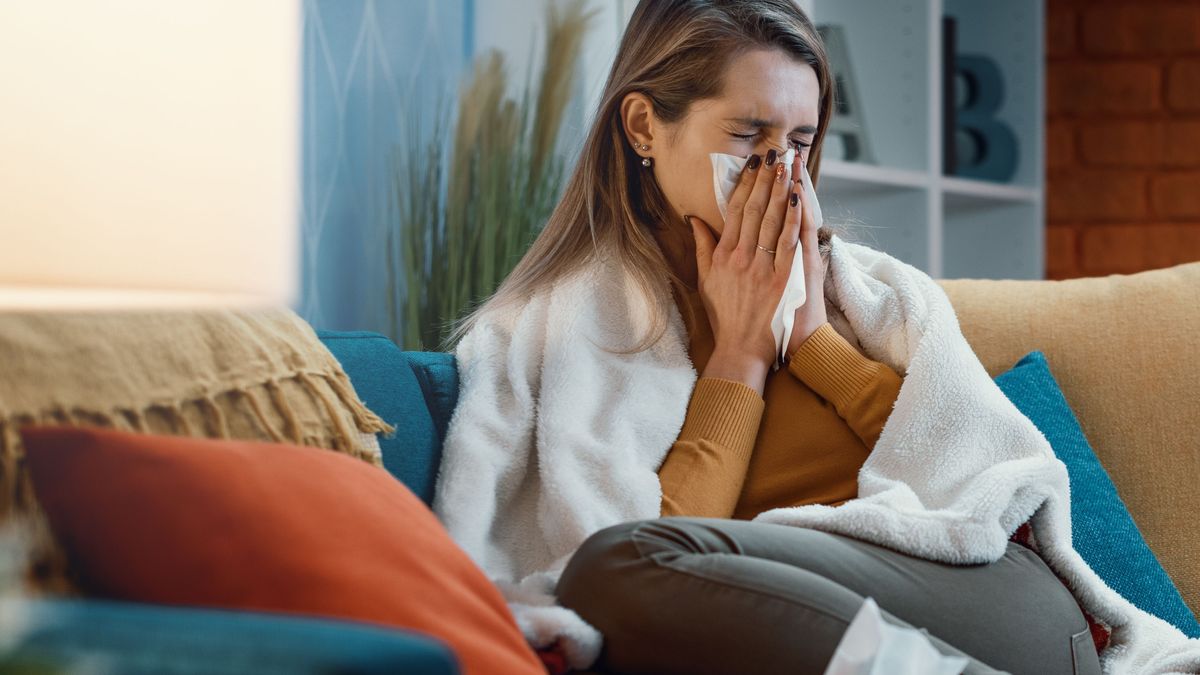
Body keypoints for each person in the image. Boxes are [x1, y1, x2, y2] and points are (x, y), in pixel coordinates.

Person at [441, 1, 1102, 673]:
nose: (779, 170)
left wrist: (814, 341)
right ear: (644, 126)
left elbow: (992, 484)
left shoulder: (872, 297)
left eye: (800, 141)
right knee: (612, 569)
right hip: (800, 637)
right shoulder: (573, 331)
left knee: (618, 564)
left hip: (1006, 606)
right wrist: (740, 358)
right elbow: (648, 574)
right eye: (747, 133)